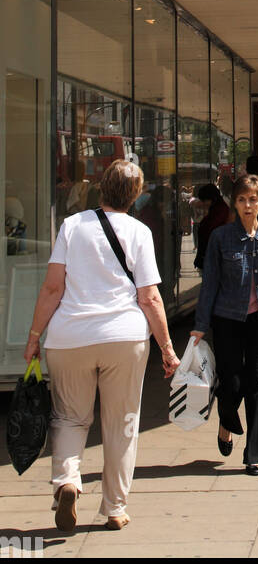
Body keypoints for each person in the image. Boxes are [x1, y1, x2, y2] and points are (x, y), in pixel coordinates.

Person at [23, 160, 181, 532]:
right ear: (137, 194)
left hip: (69, 338)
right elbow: (150, 298)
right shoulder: (139, 231)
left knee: (69, 417)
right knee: (122, 422)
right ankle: (115, 508)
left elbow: (52, 288)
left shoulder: (72, 226)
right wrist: (168, 348)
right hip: (124, 338)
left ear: (100, 187)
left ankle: (67, 480)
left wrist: (33, 337)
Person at [191, 176, 258, 475]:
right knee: (230, 382)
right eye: (243, 200)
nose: (248, 205)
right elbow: (210, 284)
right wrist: (200, 325)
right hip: (227, 318)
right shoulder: (221, 238)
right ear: (234, 202)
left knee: (257, 383)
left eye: (254, 200)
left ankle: (254, 455)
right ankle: (226, 421)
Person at [193, 183, 232, 270]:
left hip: (214, 255)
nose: (203, 203)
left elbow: (210, 231)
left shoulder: (219, 210)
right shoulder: (215, 209)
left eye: (204, 200)